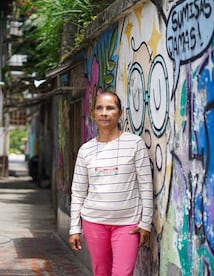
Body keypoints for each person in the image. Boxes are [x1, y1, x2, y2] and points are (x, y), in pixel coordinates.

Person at [68, 92, 153, 276]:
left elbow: (146, 185)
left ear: (120, 113)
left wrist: (146, 222)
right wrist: (74, 228)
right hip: (94, 223)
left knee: (123, 273)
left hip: (128, 224)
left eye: (110, 108)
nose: (104, 113)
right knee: (101, 272)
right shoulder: (86, 150)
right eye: (99, 108)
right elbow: (78, 191)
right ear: (93, 113)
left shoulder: (135, 144)